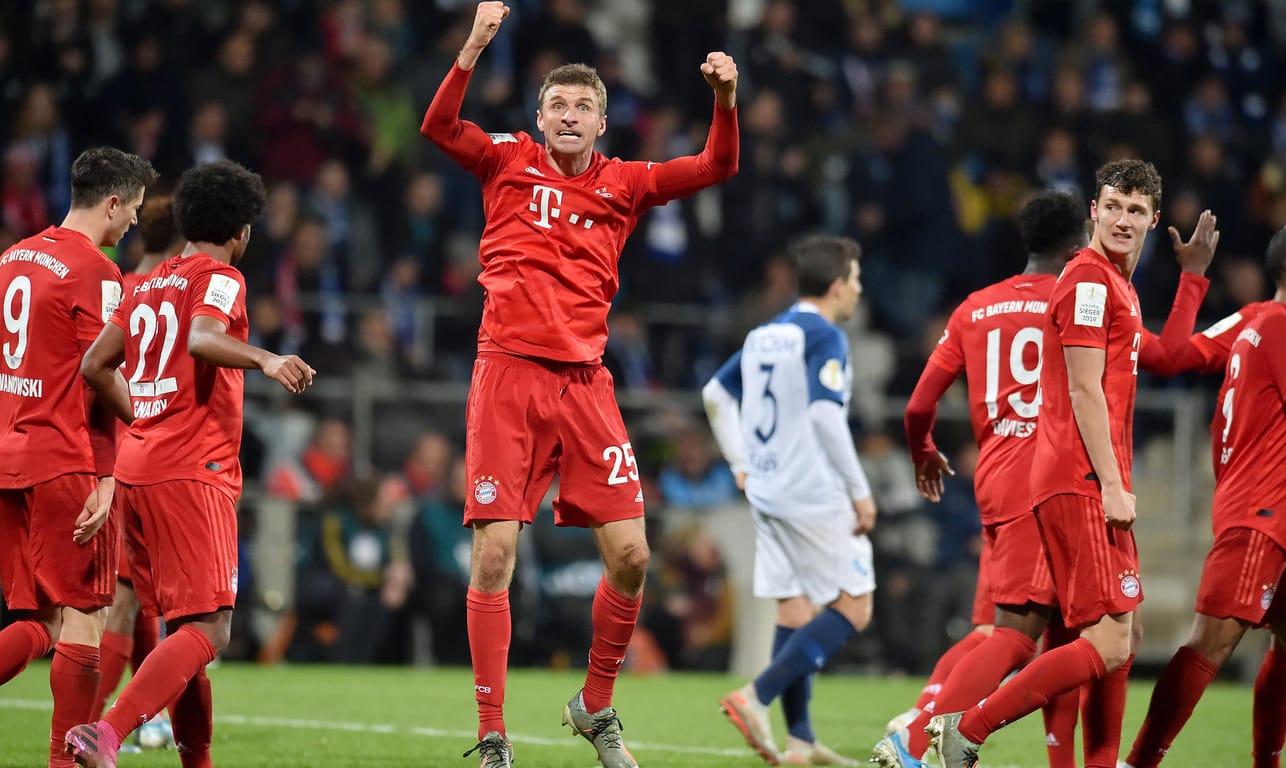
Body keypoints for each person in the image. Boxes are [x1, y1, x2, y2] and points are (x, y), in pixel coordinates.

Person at [419, 3, 738, 766]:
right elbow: (437, 128)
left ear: (602, 123)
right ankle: (493, 735)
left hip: (586, 386)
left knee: (632, 557)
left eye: (583, 106)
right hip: (507, 375)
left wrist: (725, 102)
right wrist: (473, 47)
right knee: (494, 556)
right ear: (538, 117)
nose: (569, 115)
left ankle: (595, 707)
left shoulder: (625, 183)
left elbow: (717, 167)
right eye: (557, 104)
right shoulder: (505, 160)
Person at [926, 160, 1218, 768]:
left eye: (1136, 211)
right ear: (1093, 210)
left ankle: (1082, 761)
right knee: (1098, 641)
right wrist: (1112, 485)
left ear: (1153, 220)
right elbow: (1085, 391)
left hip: (1086, 478)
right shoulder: (1088, 282)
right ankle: (965, 730)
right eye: (1112, 205)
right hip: (1080, 479)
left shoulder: (1117, 285)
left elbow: (1166, 356)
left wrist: (1192, 279)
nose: (1122, 219)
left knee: (1118, 638)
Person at [65, 160, 315, 768]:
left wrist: (143, 419)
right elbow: (203, 338)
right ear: (243, 231)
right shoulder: (222, 276)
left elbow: (95, 366)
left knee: (184, 636)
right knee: (213, 630)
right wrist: (267, 358)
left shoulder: (146, 282)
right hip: (190, 471)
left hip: (138, 468)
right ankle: (107, 731)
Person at [0, 147, 156, 768]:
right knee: (85, 622)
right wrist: (109, 471)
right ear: (111, 202)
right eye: (131, 209)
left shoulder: (11, 260)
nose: (132, 222)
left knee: (40, 623)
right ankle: (63, 763)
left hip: (10, 459)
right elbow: (100, 375)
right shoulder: (99, 273)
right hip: (67, 461)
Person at [877, 191, 1092, 767]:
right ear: (1077, 247)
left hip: (993, 478)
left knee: (1056, 636)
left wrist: (923, 451)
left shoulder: (974, 307)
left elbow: (918, 405)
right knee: (1018, 637)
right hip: (1045, 481)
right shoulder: (1077, 301)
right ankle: (915, 742)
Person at [703, 235, 874, 767]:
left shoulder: (762, 336)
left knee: (796, 608)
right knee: (855, 605)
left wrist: (740, 463)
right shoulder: (825, 337)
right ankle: (756, 695)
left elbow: (714, 394)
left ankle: (800, 743)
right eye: (857, 280)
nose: (859, 290)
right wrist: (860, 491)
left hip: (768, 490)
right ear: (838, 284)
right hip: (812, 492)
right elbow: (825, 417)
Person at [1121, 231, 1286, 768]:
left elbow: (1174, 355)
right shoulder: (1281, 327)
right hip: (1263, 509)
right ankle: (1137, 762)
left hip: (1258, 504)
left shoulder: (1252, 318)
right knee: (1210, 643)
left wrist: (1193, 279)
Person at [91, 196, 180, 735]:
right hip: (152, 450)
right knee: (132, 602)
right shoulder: (172, 289)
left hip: (122, 450)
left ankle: (153, 718)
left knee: (147, 598)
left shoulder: (119, 287)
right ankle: (93, 723)